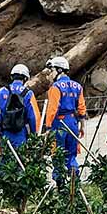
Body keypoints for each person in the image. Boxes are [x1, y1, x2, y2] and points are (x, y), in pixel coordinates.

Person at [43, 55, 87, 183]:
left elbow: (52, 109)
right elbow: (81, 108)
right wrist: (82, 126)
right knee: (71, 155)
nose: (50, 74)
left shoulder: (55, 87)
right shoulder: (77, 86)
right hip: (73, 123)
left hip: (59, 123)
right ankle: (75, 184)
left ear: (59, 70)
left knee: (58, 155)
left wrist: (48, 127)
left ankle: (61, 186)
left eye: (52, 70)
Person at [0, 63, 40, 157]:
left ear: (12, 77)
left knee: (5, 163)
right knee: (19, 161)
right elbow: (33, 117)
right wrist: (34, 135)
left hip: (5, 132)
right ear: (25, 78)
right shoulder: (28, 94)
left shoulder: (2, 91)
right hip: (20, 133)